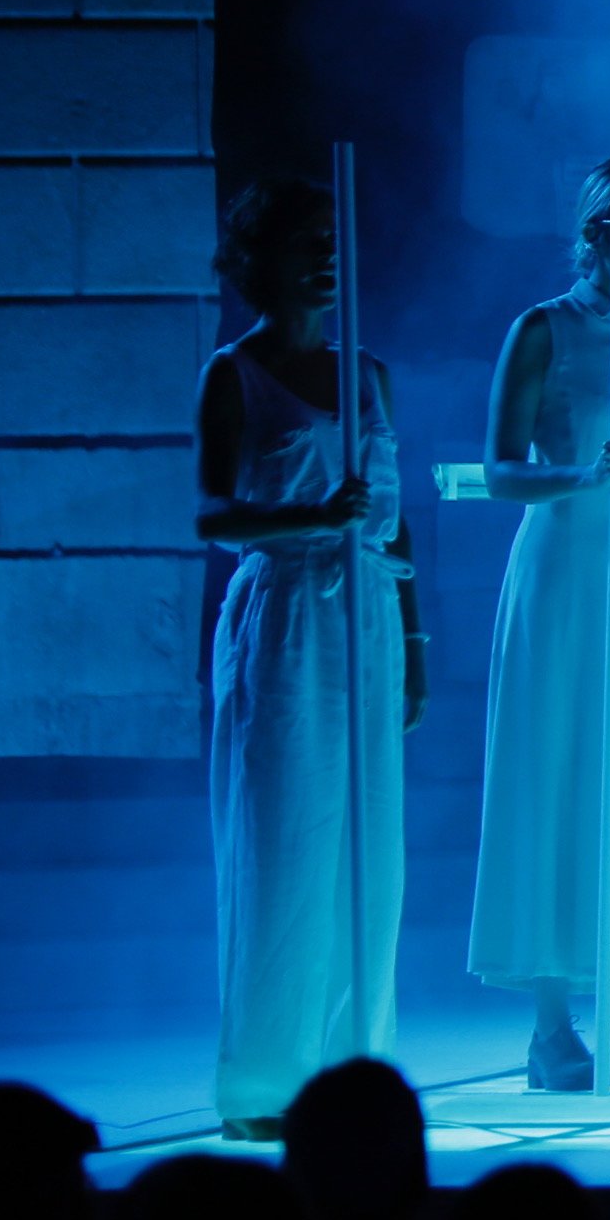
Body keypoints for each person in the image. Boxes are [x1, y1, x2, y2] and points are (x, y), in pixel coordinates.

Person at [463, 158, 610, 1090]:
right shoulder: (543, 331)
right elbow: (499, 470)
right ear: (596, 228)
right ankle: (552, 1023)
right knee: (564, 772)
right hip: (569, 577)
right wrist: (581, 475)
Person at [193, 178, 422, 1139]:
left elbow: (396, 527)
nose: (327, 259)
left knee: (369, 852)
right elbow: (213, 516)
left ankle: (350, 1074)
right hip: (284, 622)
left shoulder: (366, 369)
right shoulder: (232, 374)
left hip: (364, 616)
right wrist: (308, 518)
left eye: (336, 241)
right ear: (265, 262)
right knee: (286, 845)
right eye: (306, 243)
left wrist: (412, 642)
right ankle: (266, 1084)